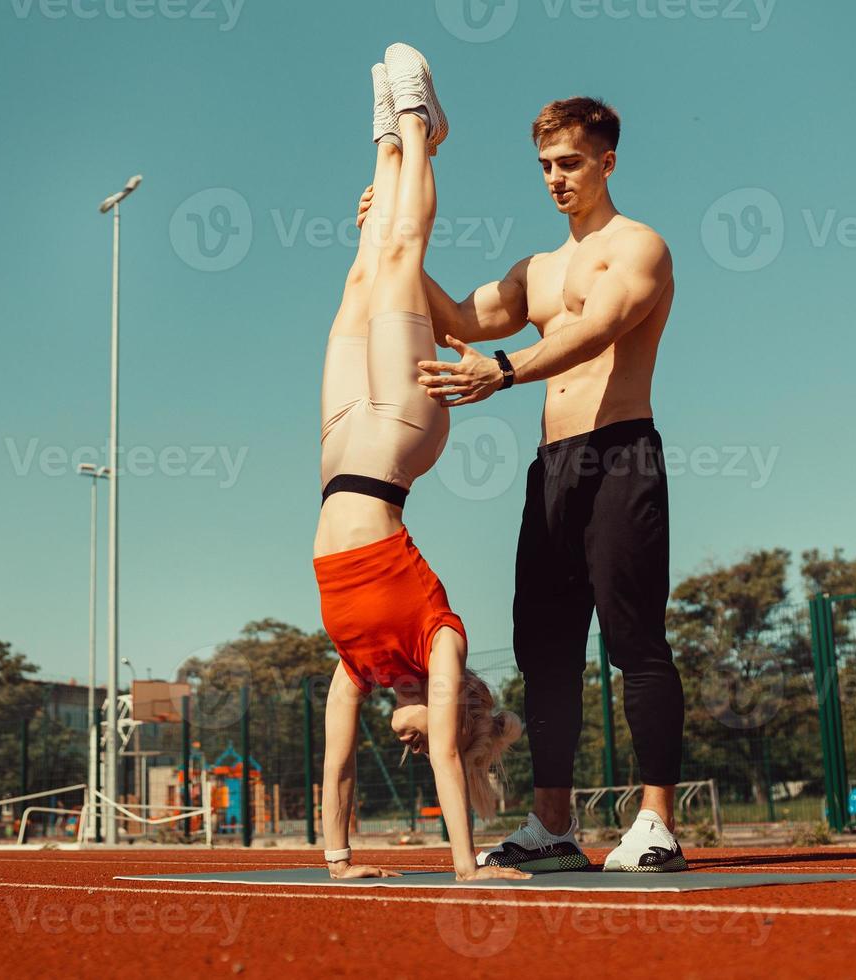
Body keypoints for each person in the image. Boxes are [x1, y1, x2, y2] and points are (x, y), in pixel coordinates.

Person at [393, 95, 686, 872]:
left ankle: (655, 821)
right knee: (546, 652)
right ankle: (552, 825)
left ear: (606, 161)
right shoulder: (538, 270)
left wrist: (506, 369)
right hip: (552, 470)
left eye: (571, 163)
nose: (556, 179)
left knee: (635, 642)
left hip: (619, 455)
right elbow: (458, 314)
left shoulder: (639, 248)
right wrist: (394, 241)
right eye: (546, 166)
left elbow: (599, 328)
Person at [315, 43, 525, 883]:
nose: (408, 744)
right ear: (464, 708)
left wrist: (337, 859)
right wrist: (469, 868)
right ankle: (414, 117)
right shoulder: (443, 642)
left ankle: (389, 142)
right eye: (437, 727)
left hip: (335, 455)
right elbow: (445, 756)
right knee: (402, 256)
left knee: (365, 267)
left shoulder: (359, 664)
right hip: (398, 445)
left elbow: (333, 766)